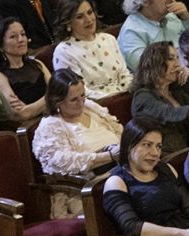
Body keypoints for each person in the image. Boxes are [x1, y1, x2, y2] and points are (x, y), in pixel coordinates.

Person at [32, 71, 123, 215]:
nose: (81, 103)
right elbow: (61, 163)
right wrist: (108, 156)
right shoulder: (50, 127)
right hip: (86, 187)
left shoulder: (90, 108)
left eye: (83, 96)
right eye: (74, 100)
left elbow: (119, 132)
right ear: (57, 101)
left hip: (120, 169)